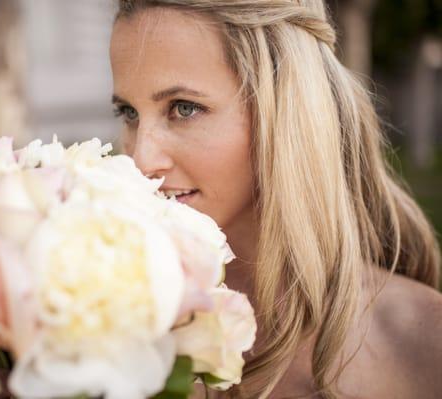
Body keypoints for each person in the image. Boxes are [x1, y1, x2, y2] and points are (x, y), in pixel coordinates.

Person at [109, 0, 442, 398]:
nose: (140, 160)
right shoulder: (92, 314)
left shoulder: (423, 343)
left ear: (283, 108)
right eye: (129, 112)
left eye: (184, 108)